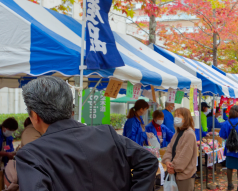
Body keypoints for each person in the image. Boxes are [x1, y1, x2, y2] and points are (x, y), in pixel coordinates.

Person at [17, 76, 158, 191]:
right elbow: (149, 160)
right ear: (70, 109)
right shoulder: (107, 134)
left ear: (34, 116)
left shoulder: (31, 154)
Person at [162, 108, 198, 190]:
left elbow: (184, 156)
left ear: (185, 118)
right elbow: (169, 149)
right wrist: (167, 161)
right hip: (175, 174)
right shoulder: (177, 133)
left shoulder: (189, 134)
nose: (176, 118)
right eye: (175, 115)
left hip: (185, 176)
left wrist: (174, 167)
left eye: (178, 115)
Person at [4, 117, 42, 191]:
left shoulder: (10, 137)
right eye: (11, 130)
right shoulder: (30, 132)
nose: (11, 132)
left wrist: (12, 153)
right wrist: (6, 154)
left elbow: (11, 149)